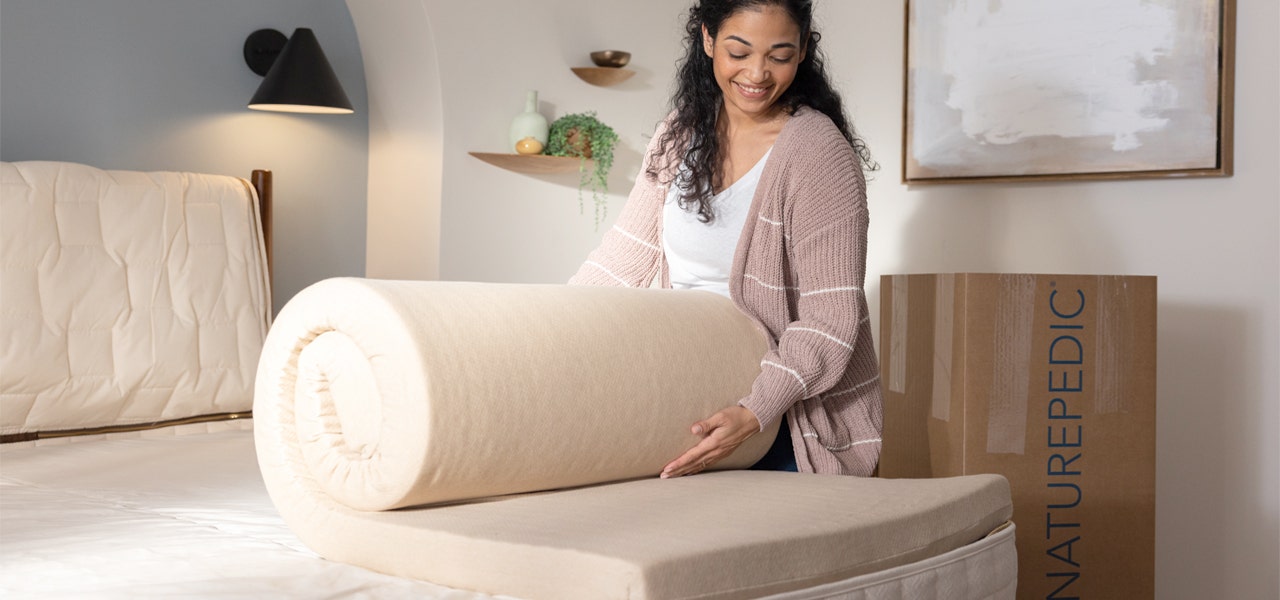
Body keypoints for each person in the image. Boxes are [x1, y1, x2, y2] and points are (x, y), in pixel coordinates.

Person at [569, 0, 882, 478]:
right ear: (708, 39)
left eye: (779, 56)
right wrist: (551, 328)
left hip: (780, 413)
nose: (757, 73)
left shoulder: (819, 155)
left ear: (801, 54)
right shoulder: (681, 133)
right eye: (739, 52)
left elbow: (830, 320)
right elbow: (622, 259)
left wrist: (755, 412)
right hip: (685, 387)